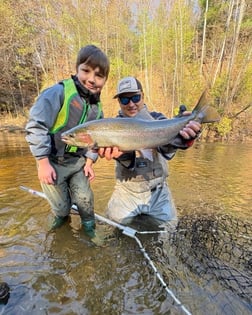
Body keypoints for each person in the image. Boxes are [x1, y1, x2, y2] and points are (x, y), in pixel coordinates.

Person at [25, 45, 110, 238]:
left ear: (105, 80)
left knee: (86, 200)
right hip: (52, 163)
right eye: (86, 71)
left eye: (99, 76)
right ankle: (61, 224)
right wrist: (42, 162)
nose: (91, 79)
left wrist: (89, 162)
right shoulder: (58, 92)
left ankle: (89, 230)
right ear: (77, 69)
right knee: (62, 208)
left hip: (78, 163)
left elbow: (94, 142)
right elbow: (35, 126)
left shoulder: (98, 109)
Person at [99, 76, 201, 226]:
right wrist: (122, 155)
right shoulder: (113, 127)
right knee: (113, 228)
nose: (131, 103)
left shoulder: (158, 119)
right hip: (126, 191)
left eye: (135, 97)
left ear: (143, 96)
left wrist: (185, 139)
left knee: (170, 231)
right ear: (119, 102)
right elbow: (126, 159)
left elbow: (167, 146)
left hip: (158, 191)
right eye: (125, 100)